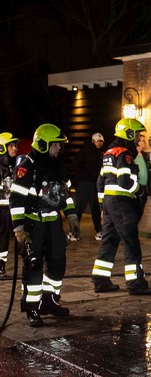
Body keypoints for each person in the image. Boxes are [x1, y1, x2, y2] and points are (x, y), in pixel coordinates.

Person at [9, 124, 80, 327]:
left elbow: (65, 195)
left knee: (58, 264)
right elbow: (16, 199)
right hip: (34, 224)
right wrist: (19, 229)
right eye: (56, 144)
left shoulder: (57, 165)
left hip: (53, 223)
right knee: (33, 267)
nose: (59, 148)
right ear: (43, 144)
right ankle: (32, 308)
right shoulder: (26, 165)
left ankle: (49, 301)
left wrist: (72, 216)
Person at [90, 118, 151, 296]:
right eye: (136, 135)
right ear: (128, 134)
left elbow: (99, 182)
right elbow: (125, 181)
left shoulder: (108, 152)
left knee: (109, 240)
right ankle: (136, 283)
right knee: (131, 242)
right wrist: (140, 190)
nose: (138, 138)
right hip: (122, 202)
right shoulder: (125, 153)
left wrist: (102, 207)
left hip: (110, 202)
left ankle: (100, 279)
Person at [72, 132, 105, 240]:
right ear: (93, 141)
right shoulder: (84, 152)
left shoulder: (101, 154)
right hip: (84, 184)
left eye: (101, 142)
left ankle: (99, 231)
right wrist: (85, 176)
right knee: (79, 209)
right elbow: (76, 166)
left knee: (96, 209)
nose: (100, 143)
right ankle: (74, 232)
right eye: (98, 141)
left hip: (95, 185)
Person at [0, 132, 19, 276]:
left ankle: (1, 265)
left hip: (8, 209)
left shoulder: (12, 166)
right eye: (11, 146)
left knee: (4, 237)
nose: (15, 148)